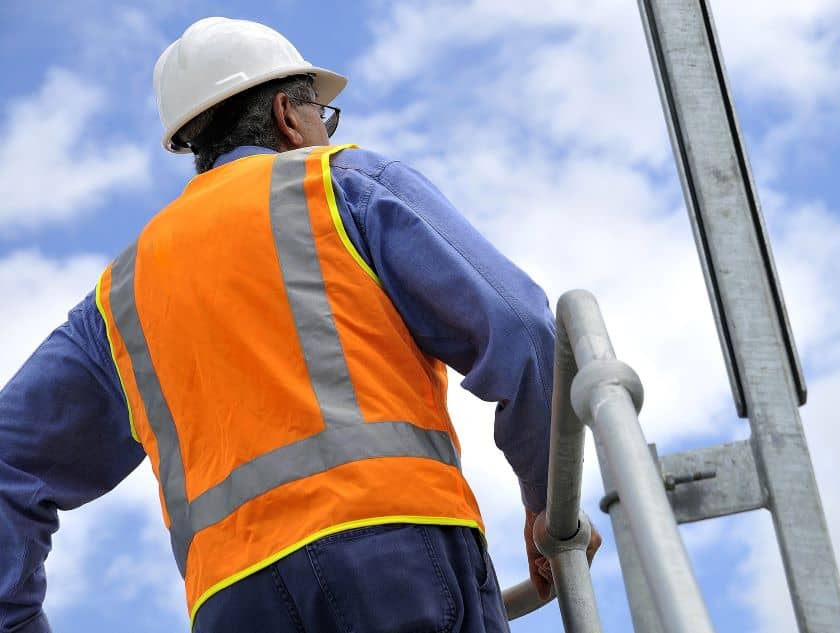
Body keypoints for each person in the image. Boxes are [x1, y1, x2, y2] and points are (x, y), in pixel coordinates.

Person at [0, 16, 600, 633]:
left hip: (234, 603)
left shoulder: (118, 299)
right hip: (393, 554)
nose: (328, 131)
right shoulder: (341, 187)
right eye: (325, 116)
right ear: (289, 116)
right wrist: (549, 507)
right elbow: (524, 331)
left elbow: (6, 463)